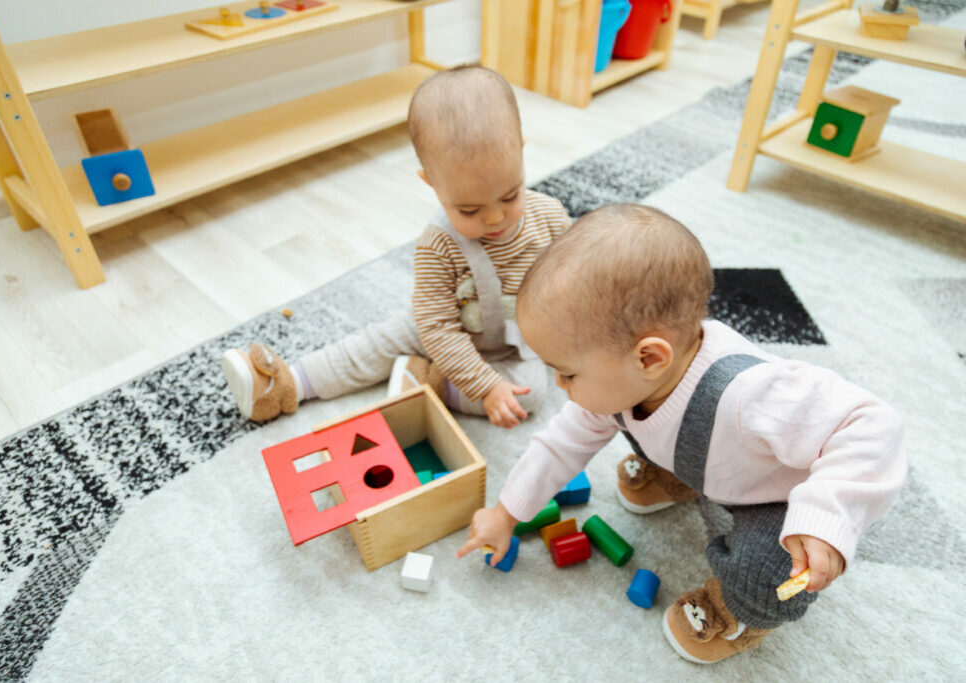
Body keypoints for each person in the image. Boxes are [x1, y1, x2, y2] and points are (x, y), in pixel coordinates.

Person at [457, 203, 905, 664]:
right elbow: (559, 443)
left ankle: (741, 615)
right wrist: (506, 513)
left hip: (780, 500)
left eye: (567, 373)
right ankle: (677, 476)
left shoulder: (751, 394)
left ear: (649, 358)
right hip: (711, 463)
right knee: (612, 414)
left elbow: (874, 425)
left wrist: (825, 517)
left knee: (767, 572)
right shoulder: (629, 378)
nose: (560, 387)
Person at [221, 65, 571, 427]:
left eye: (509, 195)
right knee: (373, 346)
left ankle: (428, 381)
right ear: (431, 184)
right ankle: (286, 382)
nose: (495, 218)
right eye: (469, 209)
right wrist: (483, 386)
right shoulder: (438, 244)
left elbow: (576, 276)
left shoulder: (548, 215)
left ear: (521, 152)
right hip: (442, 329)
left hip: (514, 343)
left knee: (531, 395)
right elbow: (437, 329)